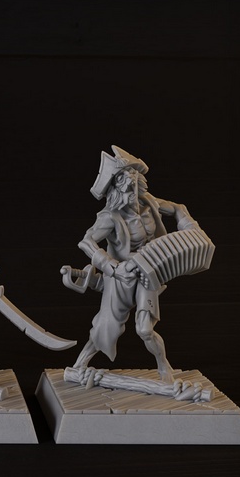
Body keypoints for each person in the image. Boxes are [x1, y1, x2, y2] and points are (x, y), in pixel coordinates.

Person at [65, 146, 202, 382]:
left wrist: (190, 229)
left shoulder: (150, 203)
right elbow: (86, 241)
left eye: (132, 176)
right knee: (107, 325)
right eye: (123, 179)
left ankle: (164, 368)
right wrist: (111, 266)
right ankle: (79, 365)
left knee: (145, 329)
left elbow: (179, 208)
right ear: (115, 186)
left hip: (149, 272)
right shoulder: (110, 216)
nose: (130, 182)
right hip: (121, 275)